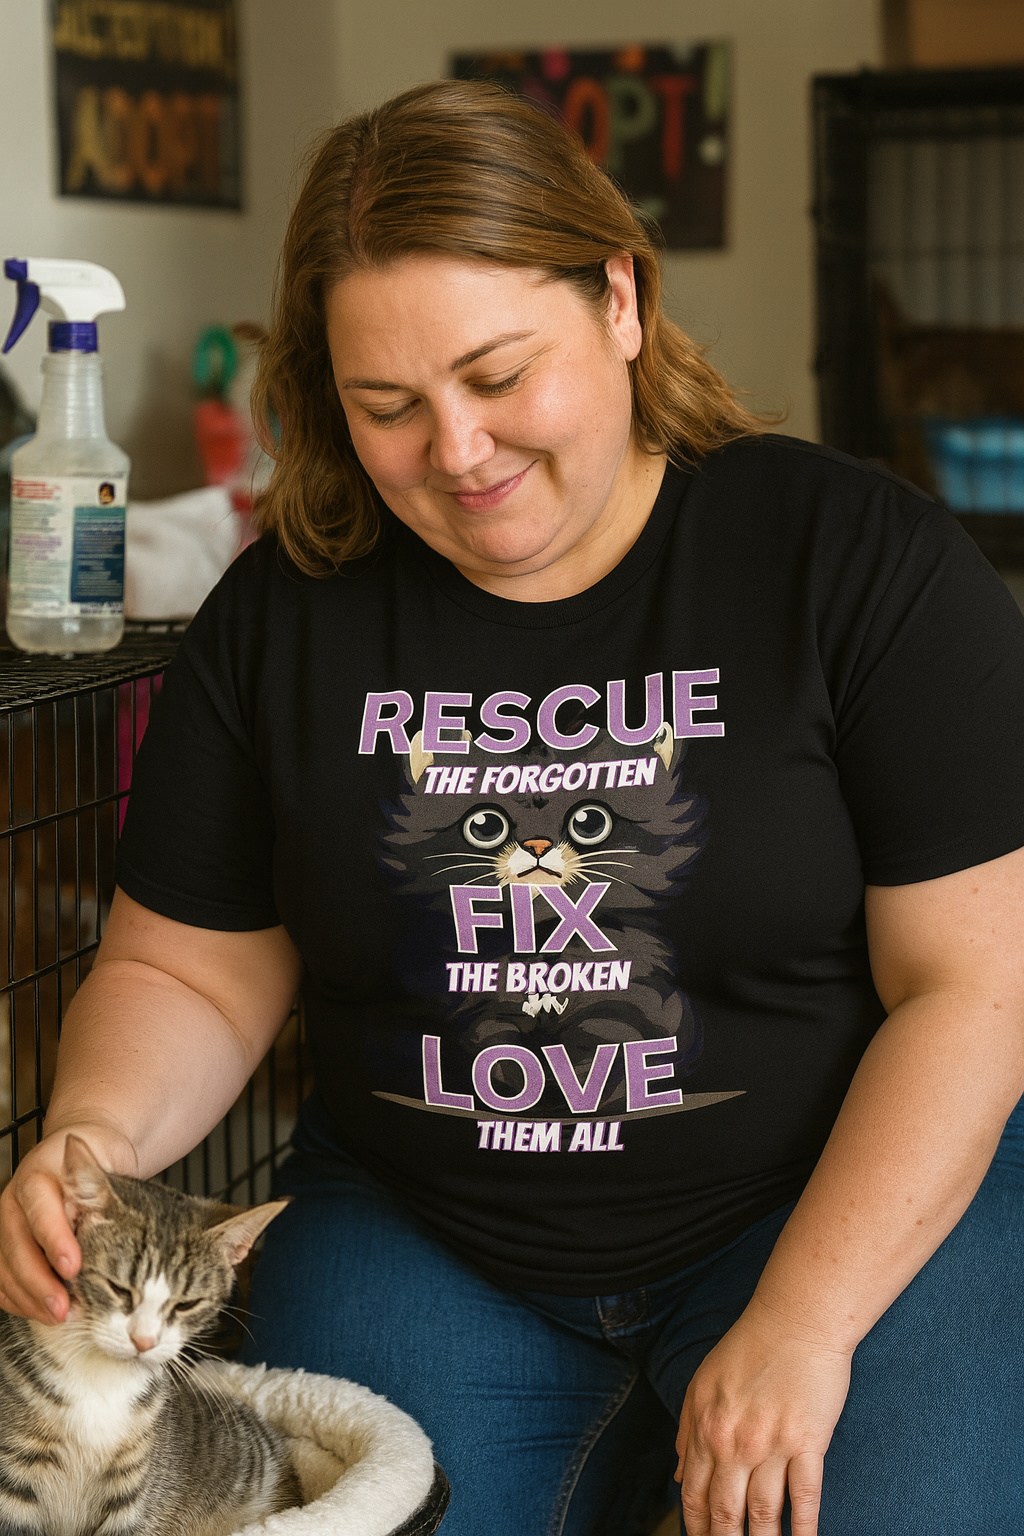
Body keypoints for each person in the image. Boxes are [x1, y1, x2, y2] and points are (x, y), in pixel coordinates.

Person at [2, 80, 1024, 1536]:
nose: (458, 452)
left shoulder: (859, 560)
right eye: (387, 408)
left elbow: (978, 987)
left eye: (497, 376)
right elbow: (187, 970)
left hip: (829, 1197)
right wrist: (90, 1144)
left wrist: (806, 1320)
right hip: (427, 1229)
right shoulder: (285, 614)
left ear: (621, 299)